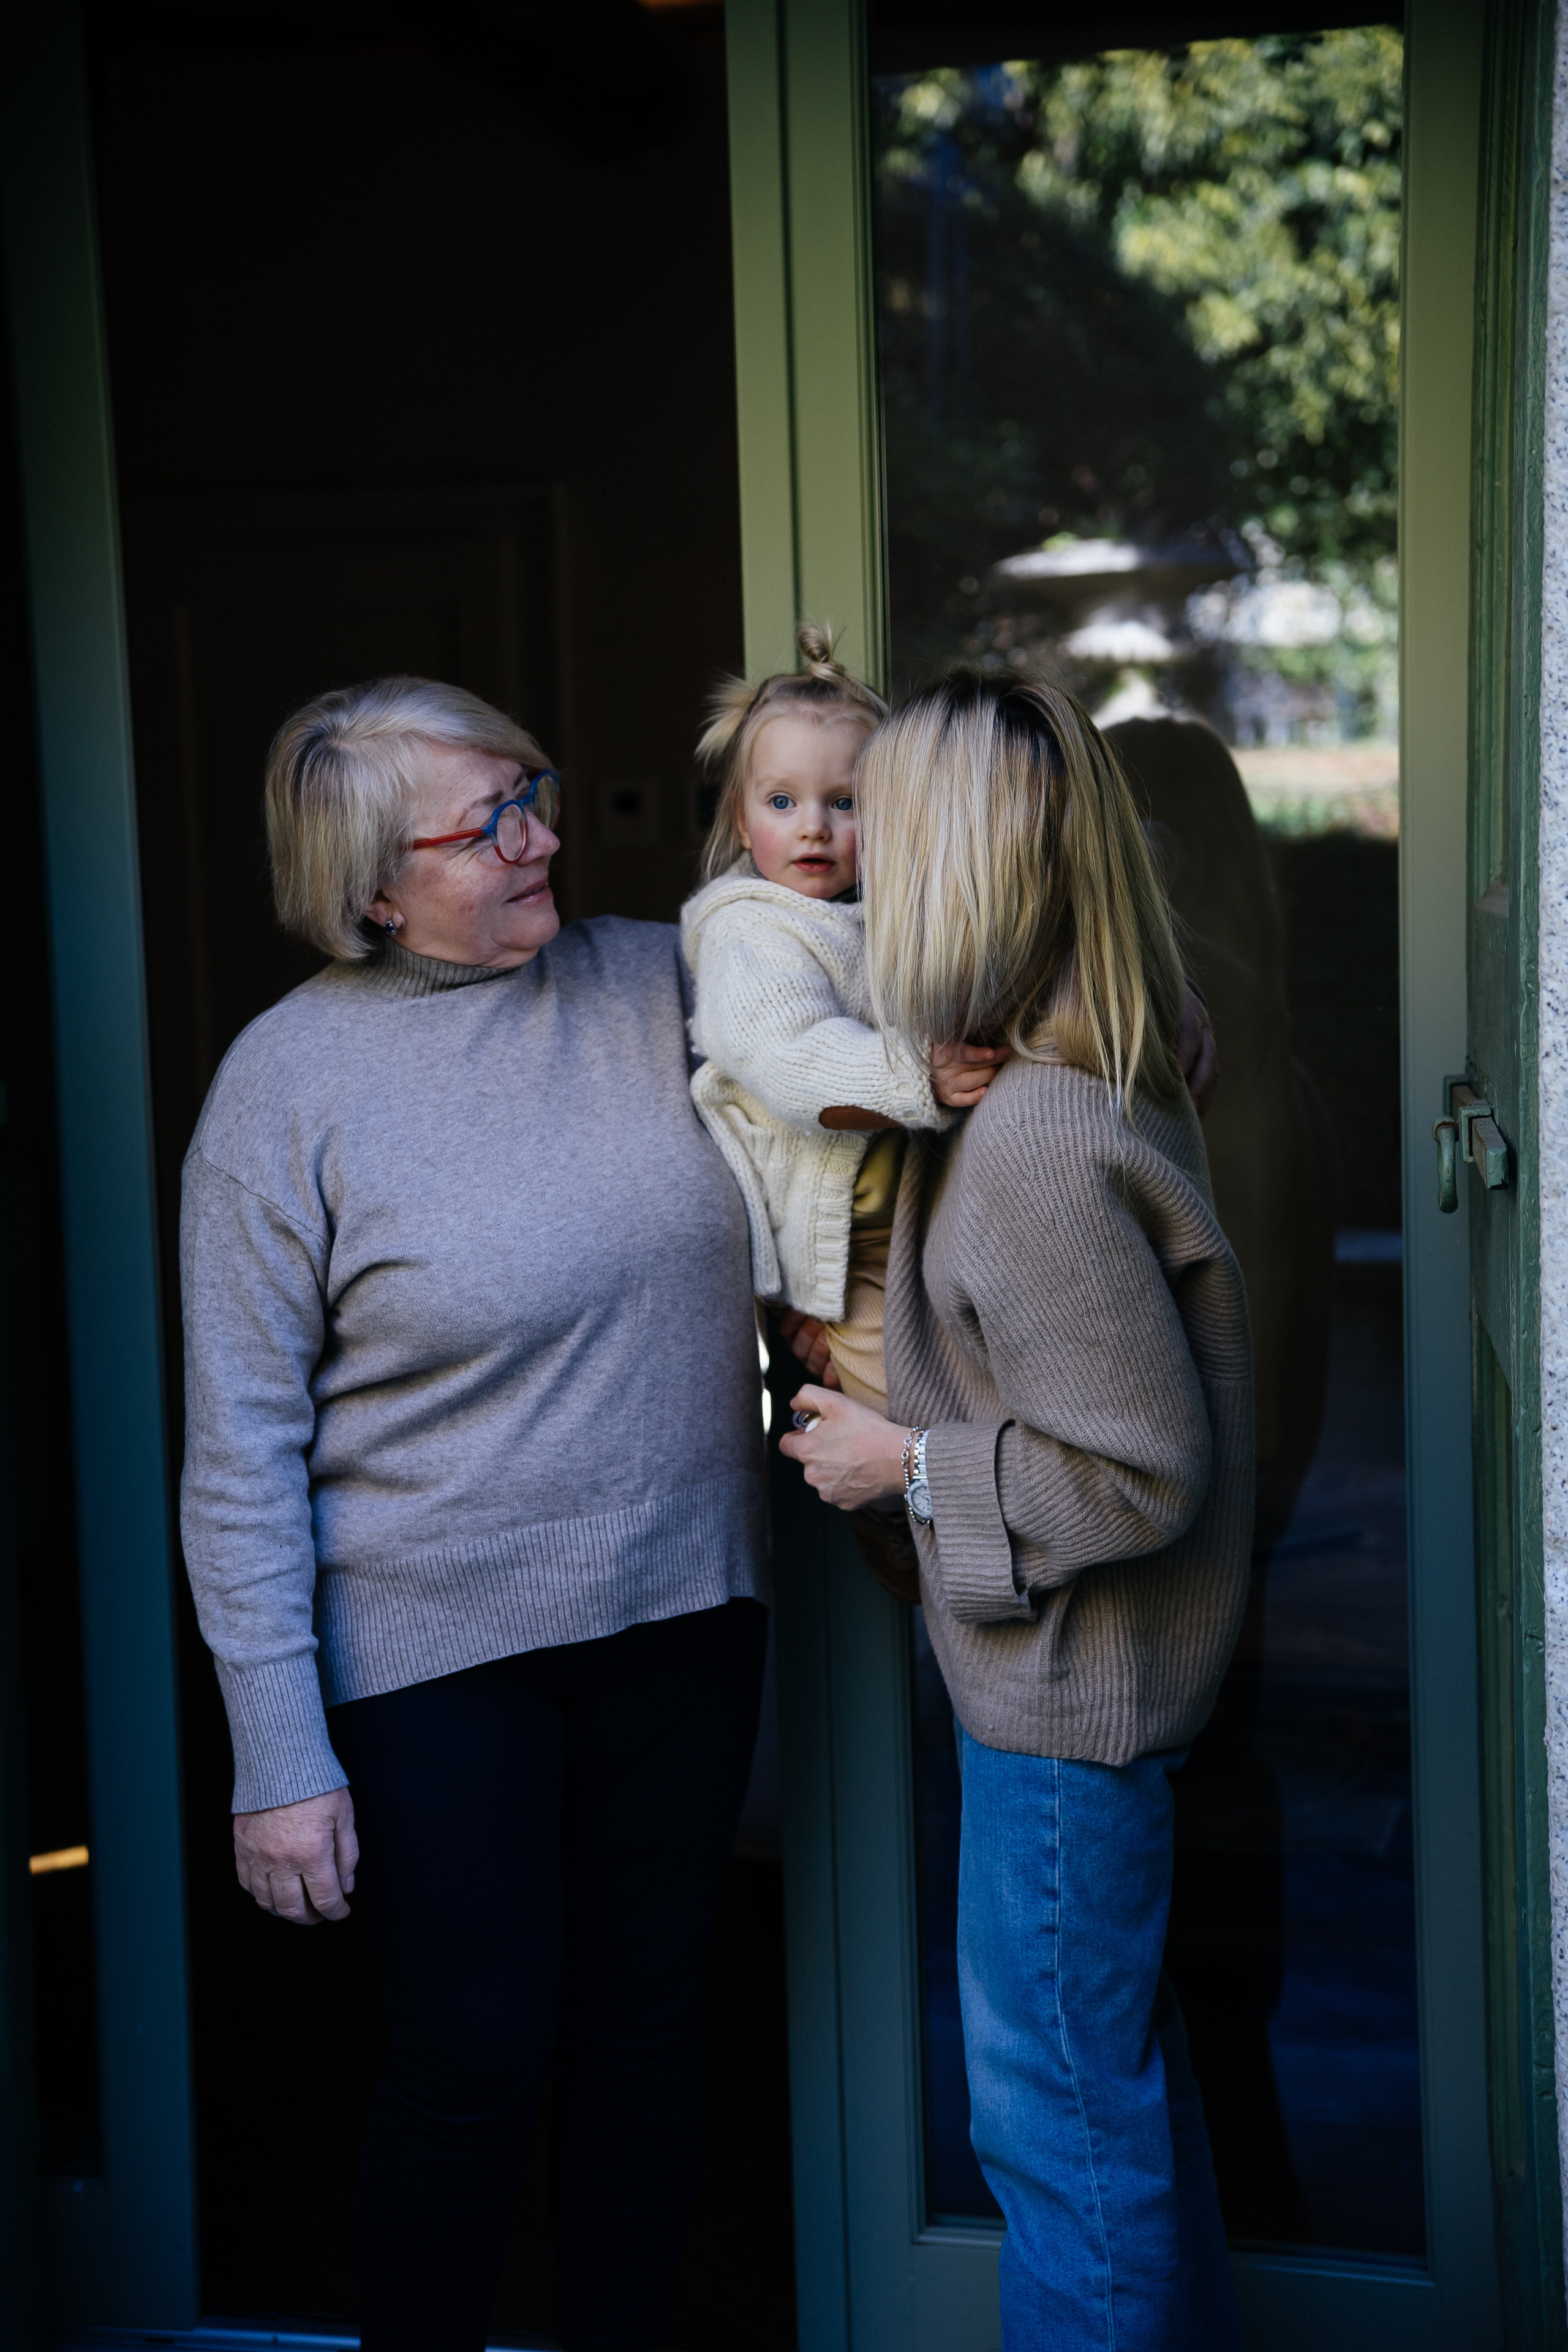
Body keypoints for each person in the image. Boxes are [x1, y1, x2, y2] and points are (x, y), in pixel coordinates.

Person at [178, 676, 769, 2352]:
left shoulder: (672, 977)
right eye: (488, 822)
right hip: (435, 1650)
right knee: (477, 2050)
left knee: (648, 2036)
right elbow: (240, 1453)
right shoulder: (283, 1090)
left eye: (535, 791)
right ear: (371, 886)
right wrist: (276, 1756)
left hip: (683, 1613)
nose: (544, 836)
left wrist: (1123, 1036)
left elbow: (899, 1015)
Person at [779, 674, 1252, 2352]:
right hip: (1078, 1696)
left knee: (1057, 2134)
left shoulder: (1042, 1143)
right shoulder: (1071, 1072)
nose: (837, 873)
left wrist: (893, 1464)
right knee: (1110, 2099)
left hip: (1070, 1711)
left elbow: (1136, 1471)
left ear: (955, 871)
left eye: (878, 835)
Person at [681, 624, 1006, 1416]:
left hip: (910, 1212)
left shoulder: (888, 908)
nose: (814, 827)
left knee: (968, 1374)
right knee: (910, 1413)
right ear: (741, 812)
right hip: (834, 1241)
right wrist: (916, 1073)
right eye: (783, 802)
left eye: (847, 802)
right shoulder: (747, 928)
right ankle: (914, 1519)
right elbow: (791, 1061)